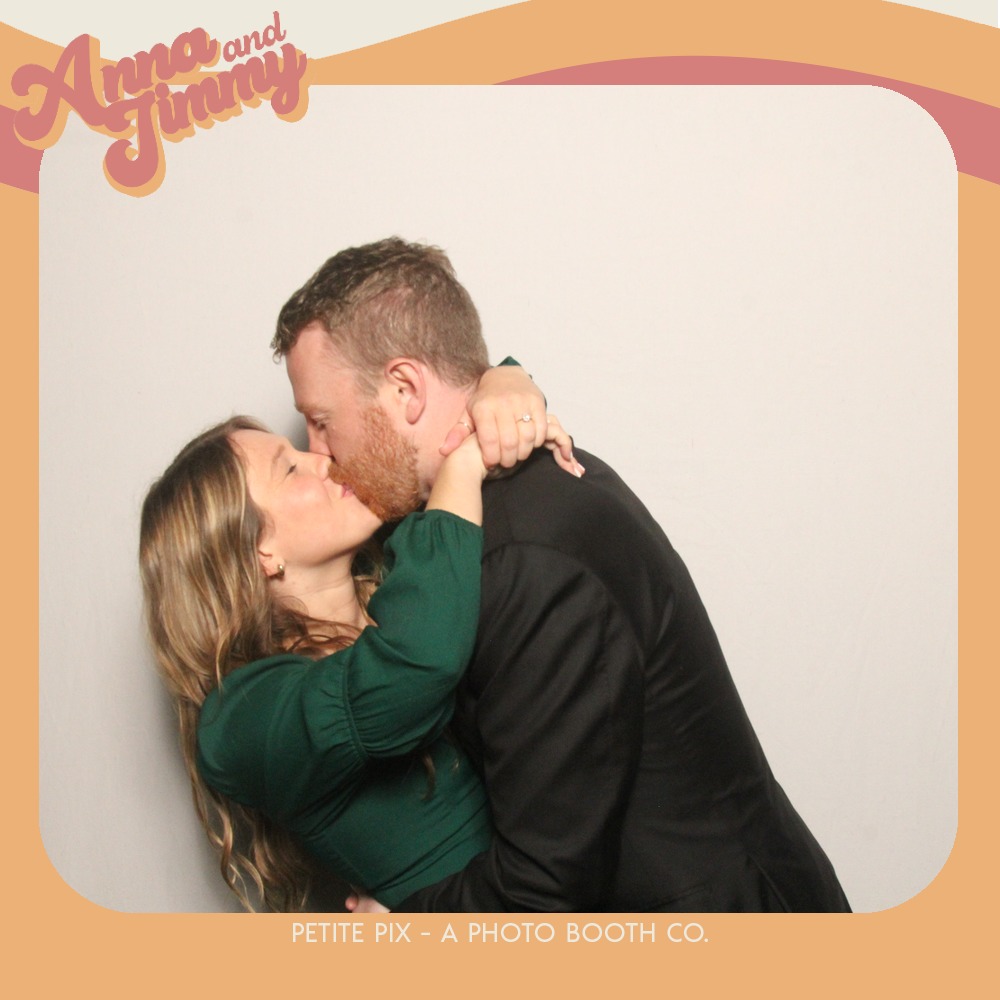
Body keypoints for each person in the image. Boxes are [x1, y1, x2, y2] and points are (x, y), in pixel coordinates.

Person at [272, 236, 853, 912]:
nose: (319, 453)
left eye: (321, 421)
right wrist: (507, 374)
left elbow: (543, 888)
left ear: (405, 389)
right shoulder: (476, 513)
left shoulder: (522, 558)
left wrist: (402, 924)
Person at [139, 375, 578, 911]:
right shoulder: (237, 723)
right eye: (290, 468)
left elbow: (439, 383)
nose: (323, 459)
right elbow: (415, 667)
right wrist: (463, 465)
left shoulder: (399, 575)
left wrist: (501, 381)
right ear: (260, 552)